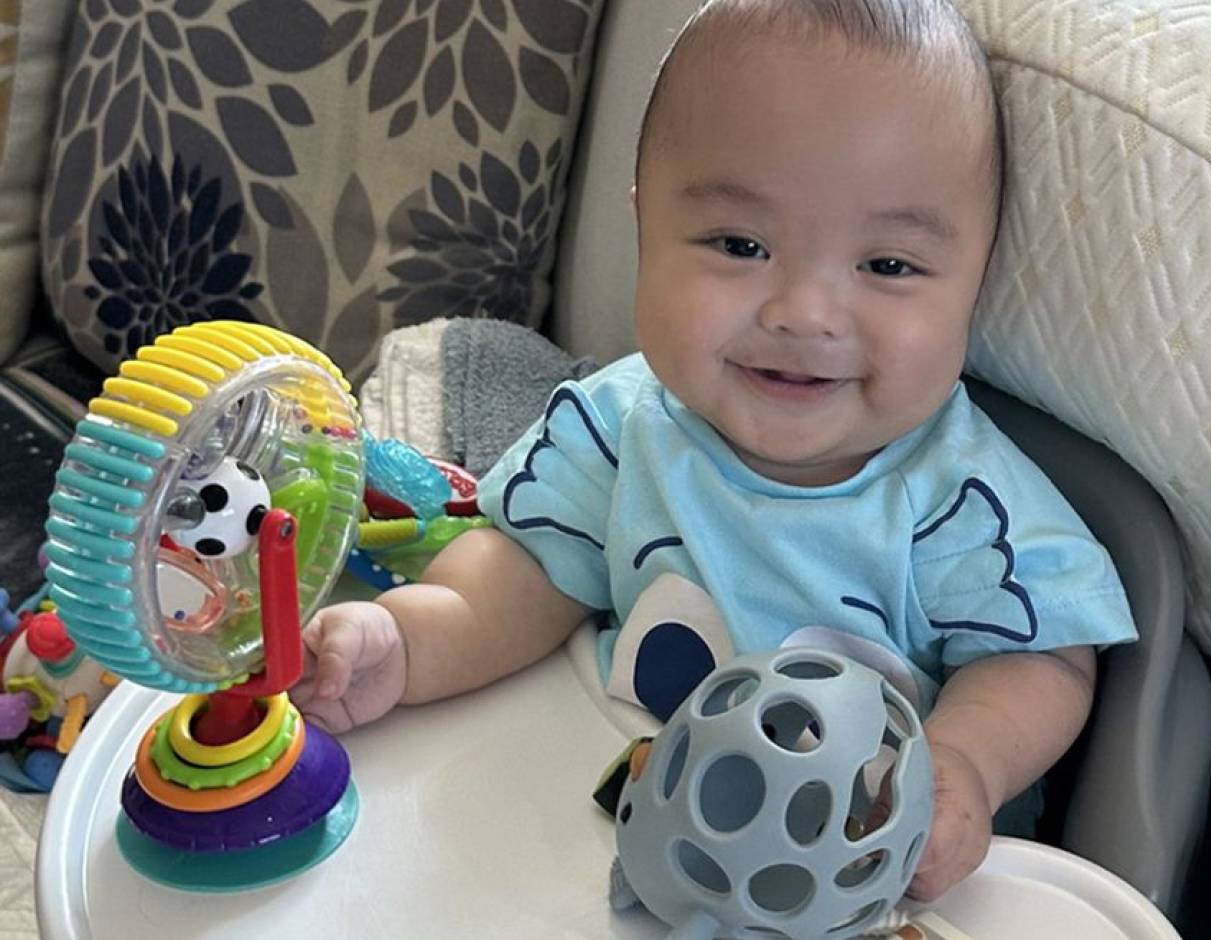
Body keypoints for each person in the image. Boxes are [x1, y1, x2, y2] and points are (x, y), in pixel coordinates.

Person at [292, 0, 1137, 901]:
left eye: (888, 265)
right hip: (612, 834)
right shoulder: (619, 429)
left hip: (854, 879)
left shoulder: (964, 503)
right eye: (741, 245)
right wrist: (409, 641)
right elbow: (524, 572)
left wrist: (964, 762)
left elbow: (1044, 660)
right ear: (645, 231)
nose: (804, 313)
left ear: (978, 277)